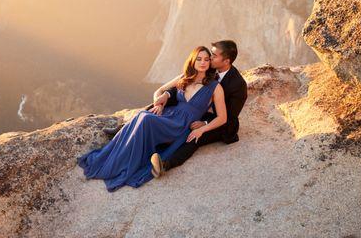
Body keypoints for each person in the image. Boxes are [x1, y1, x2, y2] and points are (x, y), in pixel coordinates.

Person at [77, 46, 227, 192]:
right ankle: (117, 157)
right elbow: (159, 91)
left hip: (180, 125)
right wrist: (159, 103)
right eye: (199, 59)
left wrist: (203, 129)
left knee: (146, 119)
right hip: (169, 114)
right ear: (192, 61)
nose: (203, 62)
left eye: (206, 59)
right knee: (142, 115)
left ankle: (123, 162)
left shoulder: (215, 87)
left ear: (209, 63)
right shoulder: (184, 78)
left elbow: (222, 117)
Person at [149, 40, 248, 177]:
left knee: (194, 136)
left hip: (222, 123)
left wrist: (204, 125)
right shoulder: (210, 67)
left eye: (213, 56)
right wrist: (166, 95)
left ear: (226, 61)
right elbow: (184, 85)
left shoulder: (238, 85)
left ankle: (165, 164)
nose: (209, 58)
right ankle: (133, 128)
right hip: (199, 109)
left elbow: (229, 116)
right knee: (164, 103)